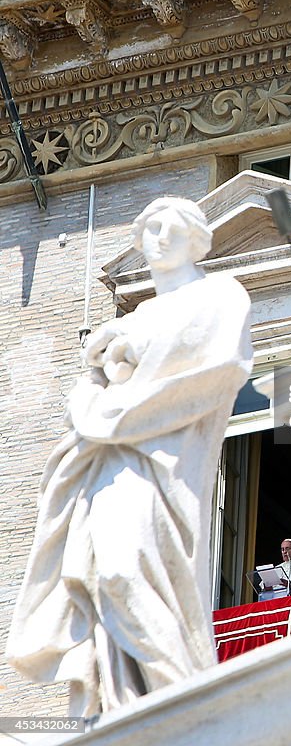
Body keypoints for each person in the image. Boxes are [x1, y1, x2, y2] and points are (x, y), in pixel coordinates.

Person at [6, 197, 253, 716]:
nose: (158, 236)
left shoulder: (218, 294)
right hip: (110, 460)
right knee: (102, 576)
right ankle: (130, 704)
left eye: (171, 227)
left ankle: (183, 700)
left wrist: (126, 367)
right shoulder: (136, 316)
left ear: (198, 239)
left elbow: (217, 368)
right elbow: (91, 390)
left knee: (126, 569)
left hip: (167, 461)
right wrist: (99, 370)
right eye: (149, 228)